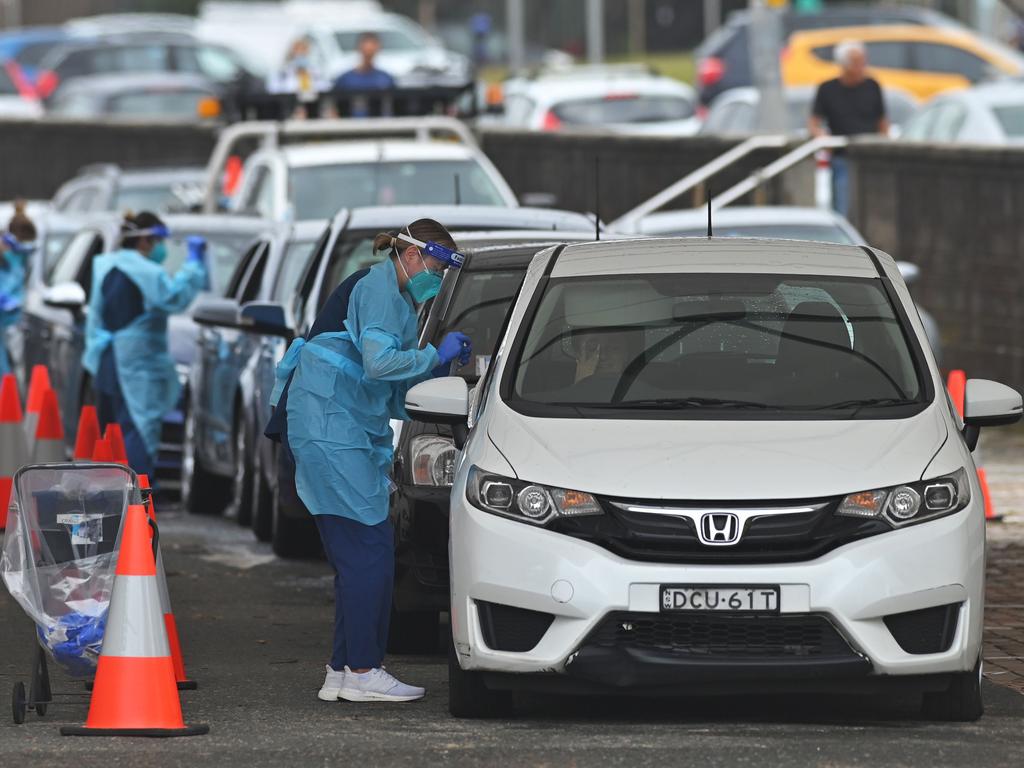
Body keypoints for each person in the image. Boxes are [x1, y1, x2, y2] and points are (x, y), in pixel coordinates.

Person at [266, 218, 471, 704]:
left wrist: (436, 369)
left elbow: (387, 392)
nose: (438, 282)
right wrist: (431, 356)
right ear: (415, 255)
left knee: (355, 556)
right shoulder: (380, 289)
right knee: (370, 554)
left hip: (331, 429)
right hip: (331, 431)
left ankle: (342, 670)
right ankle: (363, 669)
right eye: (438, 269)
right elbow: (380, 365)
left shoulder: (390, 295)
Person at [83, 212, 207, 478]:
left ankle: (113, 495)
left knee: (112, 430)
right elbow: (173, 298)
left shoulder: (106, 264)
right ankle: (139, 494)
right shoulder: (144, 270)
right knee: (138, 428)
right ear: (146, 241)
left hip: (107, 359)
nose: (162, 249)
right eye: (159, 242)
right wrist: (194, 264)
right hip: (135, 365)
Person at [808, 40, 889, 217]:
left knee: (874, 208)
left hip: (870, 156)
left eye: (862, 61)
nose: (861, 67)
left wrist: (884, 145)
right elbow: (814, 121)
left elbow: (882, 121)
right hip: (841, 156)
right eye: (856, 62)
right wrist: (822, 137)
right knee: (842, 206)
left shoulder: (872, 86)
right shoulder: (827, 89)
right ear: (843, 64)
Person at [0, 201, 36, 376]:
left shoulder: (21, 258)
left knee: (11, 371)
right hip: (5, 320)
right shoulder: (7, 257)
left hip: (12, 321)